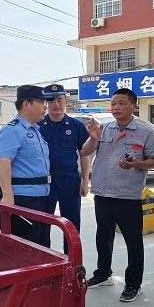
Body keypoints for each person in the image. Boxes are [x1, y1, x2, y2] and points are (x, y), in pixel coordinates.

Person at [81, 88, 154, 302]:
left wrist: (136, 164)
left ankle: (134, 283)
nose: (116, 107)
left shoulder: (146, 132)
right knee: (103, 235)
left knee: (133, 241)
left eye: (121, 103)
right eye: (113, 103)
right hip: (103, 193)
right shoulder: (104, 129)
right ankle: (103, 274)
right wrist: (92, 138)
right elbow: (86, 152)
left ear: (133, 106)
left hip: (128, 196)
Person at [37, 84, 90, 254]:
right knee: (43, 224)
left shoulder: (76, 126)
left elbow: (84, 154)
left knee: (72, 225)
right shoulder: (38, 126)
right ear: (46, 103)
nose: (55, 104)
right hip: (45, 184)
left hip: (70, 183)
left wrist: (85, 182)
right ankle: (45, 260)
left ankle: (71, 261)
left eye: (59, 100)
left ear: (66, 102)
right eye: (51, 100)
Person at [0, 85, 52, 243]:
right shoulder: (12, 130)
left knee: (42, 242)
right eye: (41, 102)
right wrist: (8, 196)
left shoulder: (36, 130)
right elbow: (3, 162)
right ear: (26, 104)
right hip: (24, 198)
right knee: (27, 244)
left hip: (42, 195)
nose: (45, 107)